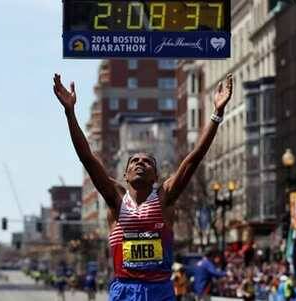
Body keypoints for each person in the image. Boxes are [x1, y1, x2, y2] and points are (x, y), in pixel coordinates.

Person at [52, 72, 233, 301]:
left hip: (159, 290)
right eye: (134, 161)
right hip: (124, 289)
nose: (140, 163)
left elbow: (194, 158)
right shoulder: (116, 200)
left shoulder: (164, 197)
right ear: (125, 175)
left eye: (147, 162)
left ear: (156, 175)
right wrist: (70, 113)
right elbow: (87, 158)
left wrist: (217, 113)